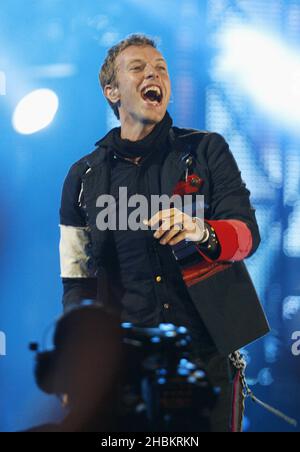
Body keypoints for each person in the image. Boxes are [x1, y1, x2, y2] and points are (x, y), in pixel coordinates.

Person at [59, 34, 270, 432]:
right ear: (112, 91)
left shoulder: (205, 151)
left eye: (161, 69)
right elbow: (76, 280)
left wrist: (202, 230)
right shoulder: (83, 176)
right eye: (138, 67)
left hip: (203, 360)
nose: (153, 74)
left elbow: (247, 235)